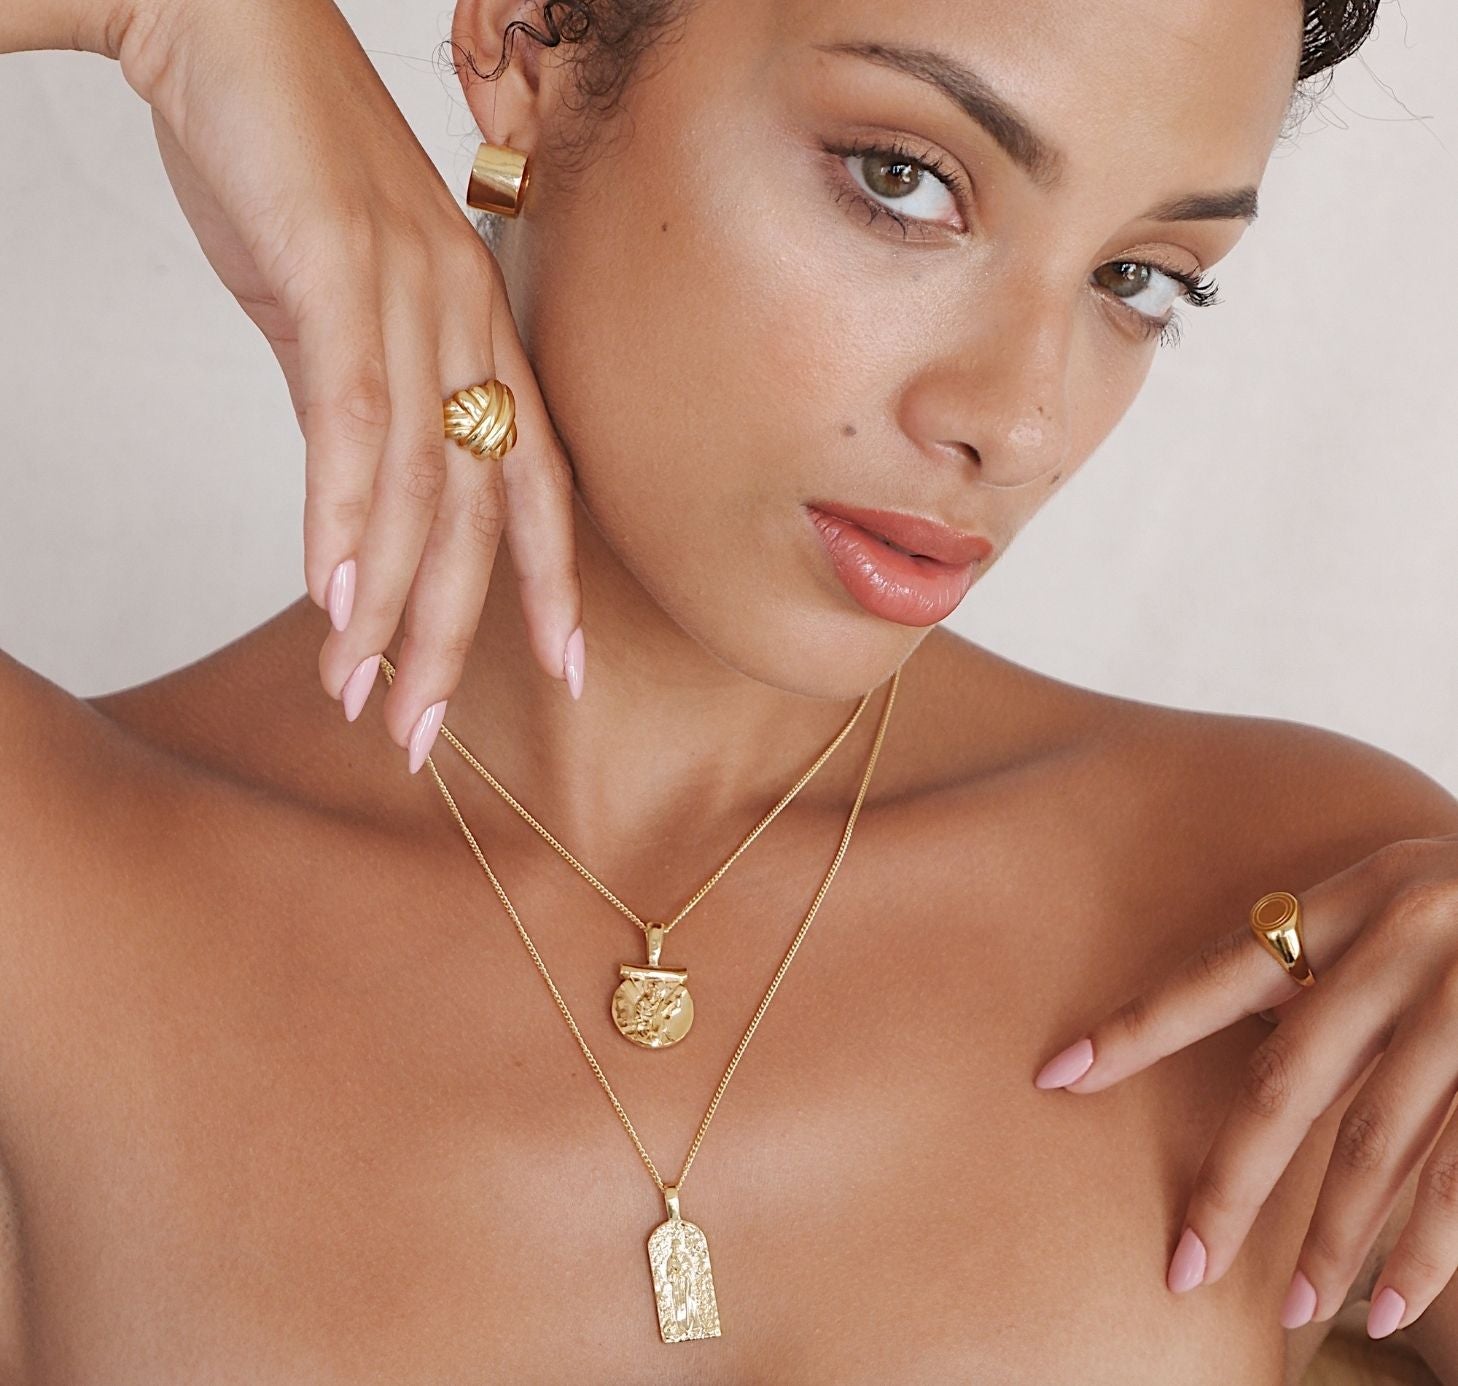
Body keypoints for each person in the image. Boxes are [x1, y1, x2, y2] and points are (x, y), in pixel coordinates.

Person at [3, 0, 1457, 1380]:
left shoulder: (1299, 922)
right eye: (903, 179)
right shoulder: (51, 890)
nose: (1016, 421)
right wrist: (193, 21)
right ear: (522, 39)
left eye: (1137, 276)